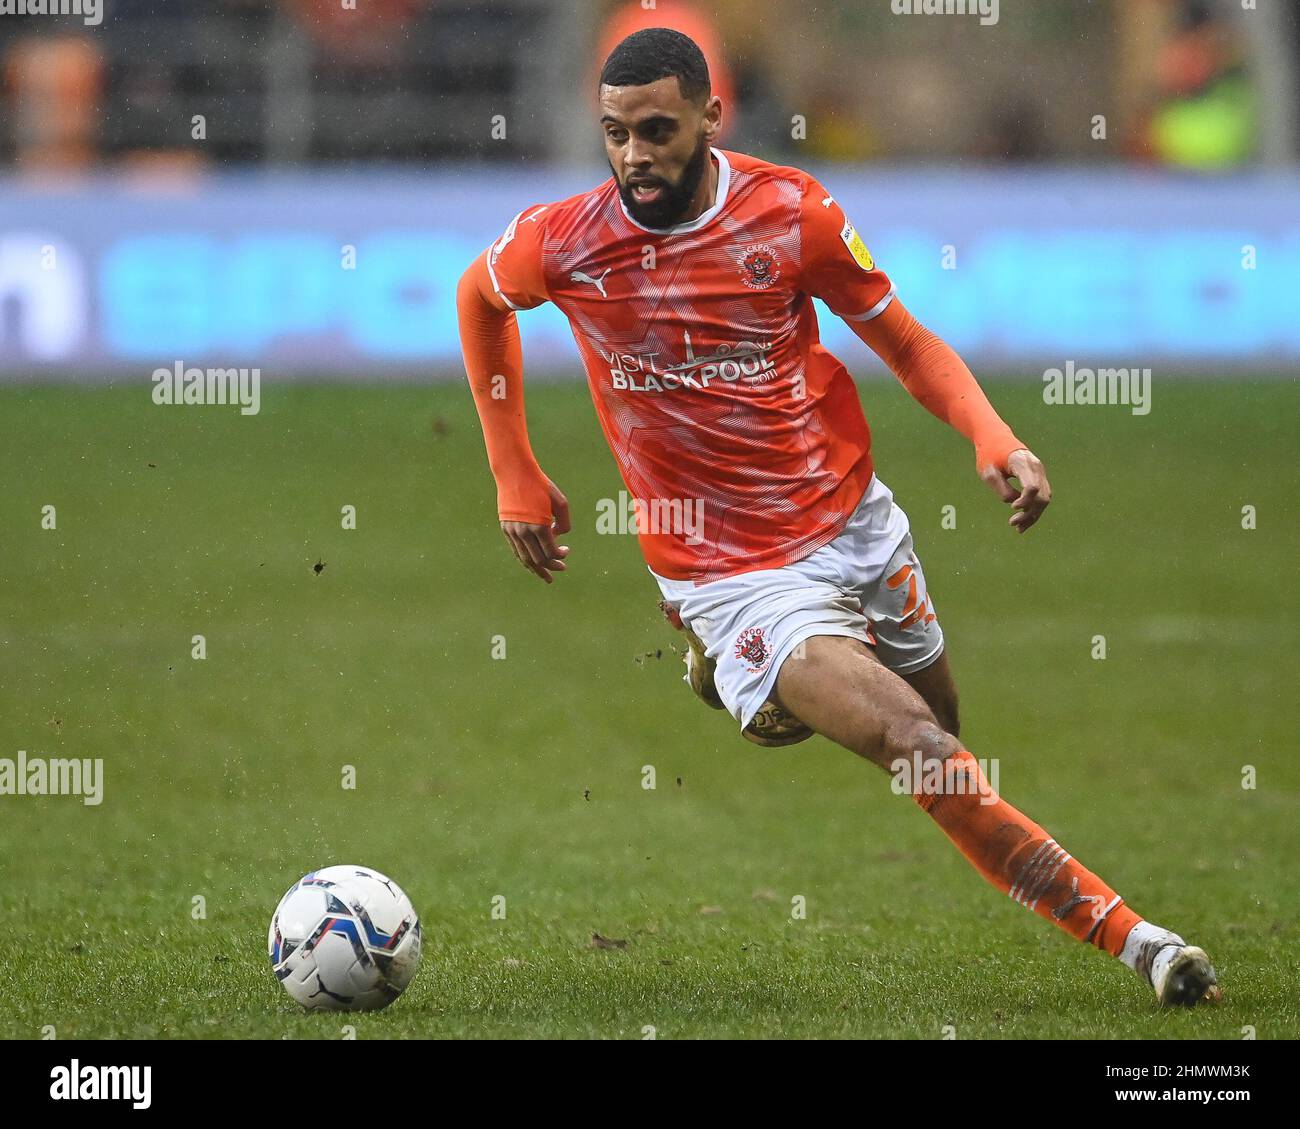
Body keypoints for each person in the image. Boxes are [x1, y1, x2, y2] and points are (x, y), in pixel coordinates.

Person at [456, 27, 1220, 1007]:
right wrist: (512, 469)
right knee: (920, 749)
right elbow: (479, 298)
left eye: (656, 129)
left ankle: (748, 688)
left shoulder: (789, 215)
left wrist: (989, 435)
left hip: (856, 523)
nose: (635, 154)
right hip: (725, 569)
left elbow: (901, 338)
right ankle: (1142, 942)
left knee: (947, 742)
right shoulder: (564, 240)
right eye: (615, 133)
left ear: (709, 117)